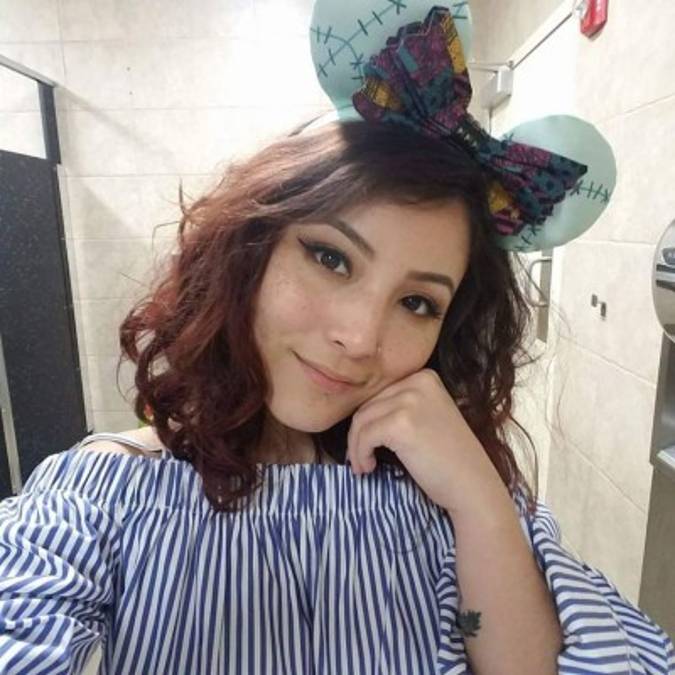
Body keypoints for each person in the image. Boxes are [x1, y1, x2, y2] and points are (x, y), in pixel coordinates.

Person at [2, 7, 674, 675]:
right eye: (330, 258)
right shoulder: (105, 494)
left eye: (417, 302)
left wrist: (480, 504)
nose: (358, 337)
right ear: (250, 252)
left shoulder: (453, 496)